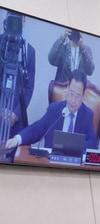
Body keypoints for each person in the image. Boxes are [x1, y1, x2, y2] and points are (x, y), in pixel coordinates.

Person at [4, 74, 95, 152]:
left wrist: (72, 146)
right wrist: (17, 139)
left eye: (77, 96)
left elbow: (93, 144)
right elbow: (37, 129)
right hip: (50, 165)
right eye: (71, 94)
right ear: (67, 90)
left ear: (83, 96)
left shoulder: (87, 115)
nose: (73, 100)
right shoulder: (54, 110)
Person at [0, 12, 35, 166]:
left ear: (24, 20)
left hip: (17, 117)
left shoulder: (29, 51)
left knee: (15, 160)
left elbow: (29, 87)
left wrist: (15, 114)